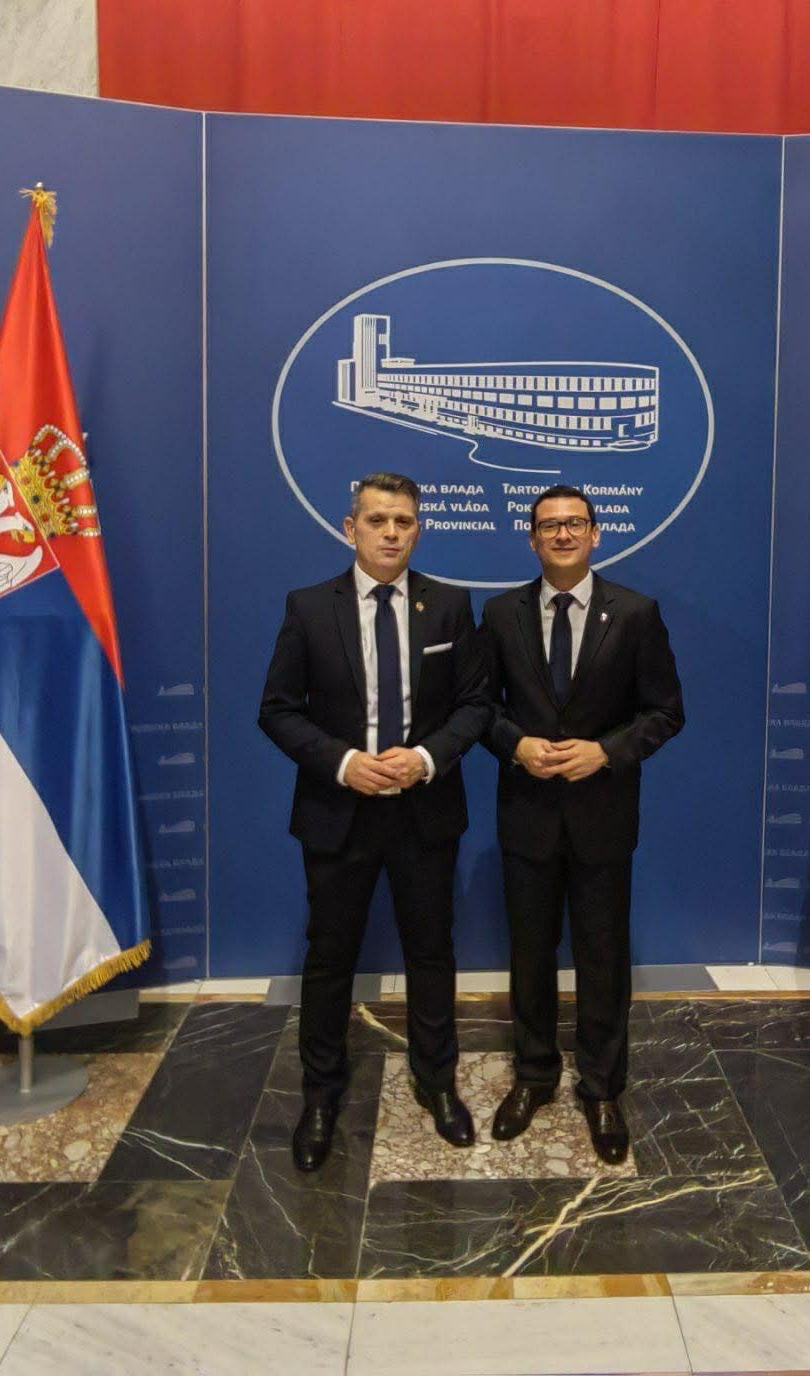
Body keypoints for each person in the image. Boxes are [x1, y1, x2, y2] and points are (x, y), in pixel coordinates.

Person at [259, 471, 489, 1172]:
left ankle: (437, 1081)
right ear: (349, 528)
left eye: (404, 521)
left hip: (425, 812)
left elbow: (476, 705)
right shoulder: (308, 607)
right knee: (330, 957)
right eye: (378, 520)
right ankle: (321, 1095)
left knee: (432, 951)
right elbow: (277, 710)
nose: (391, 532)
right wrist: (341, 762)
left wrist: (425, 758)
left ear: (419, 530)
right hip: (339, 813)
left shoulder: (449, 605)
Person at [480, 486, 684, 1163]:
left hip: (604, 816)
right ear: (532, 539)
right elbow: (479, 707)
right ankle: (534, 1076)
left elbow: (665, 712)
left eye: (574, 523)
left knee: (602, 957)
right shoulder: (501, 614)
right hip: (527, 816)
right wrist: (515, 744)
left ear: (596, 534)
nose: (562, 534)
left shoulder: (636, 613)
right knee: (530, 955)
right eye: (549, 526)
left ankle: (601, 1087)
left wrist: (606, 752)